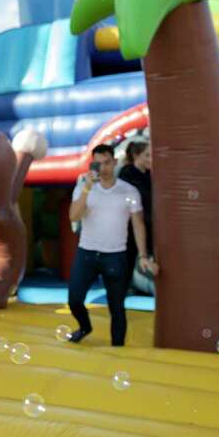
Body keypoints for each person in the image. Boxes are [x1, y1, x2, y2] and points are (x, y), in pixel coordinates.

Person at [67, 144, 158, 346]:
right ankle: (84, 327)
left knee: (117, 307)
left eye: (107, 162)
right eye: (98, 164)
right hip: (87, 253)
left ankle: (118, 348)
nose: (103, 168)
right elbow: (74, 215)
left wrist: (143, 255)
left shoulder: (129, 191)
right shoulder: (84, 185)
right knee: (74, 299)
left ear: (114, 162)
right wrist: (87, 189)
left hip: (116, 255)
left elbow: (138, 223)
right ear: (92, 164)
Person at [117, 139, 152, 287]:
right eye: (147, 155)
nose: (151, 159)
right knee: (124, 272)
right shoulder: (127, 175)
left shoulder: (149, 176)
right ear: (136, 156)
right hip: (129, 233)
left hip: (147, 230)